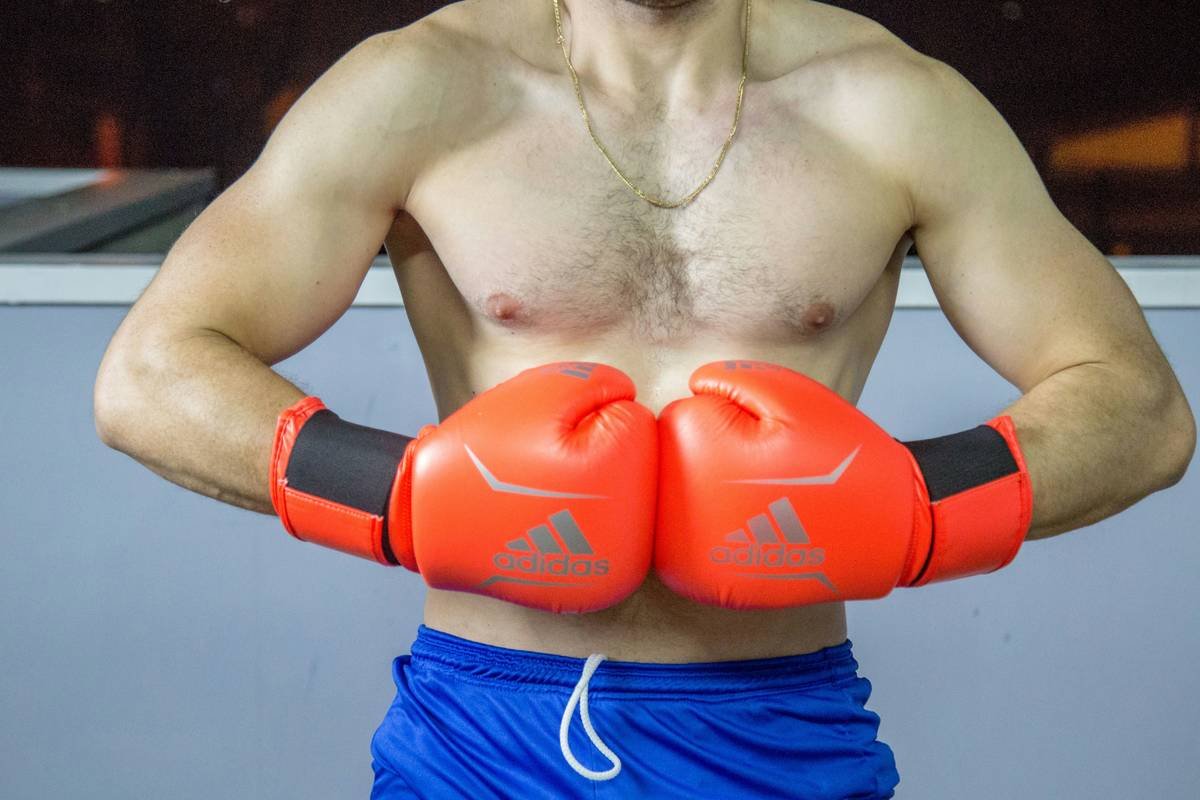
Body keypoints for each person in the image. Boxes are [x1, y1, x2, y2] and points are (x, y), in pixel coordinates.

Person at [94, 1, 1195, 797]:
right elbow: (150, 375)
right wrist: (409, 498)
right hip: (484, 736)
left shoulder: (896, 106)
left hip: (778, 729)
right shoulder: (421, 89)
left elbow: (1140, 409)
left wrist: (919, 509)